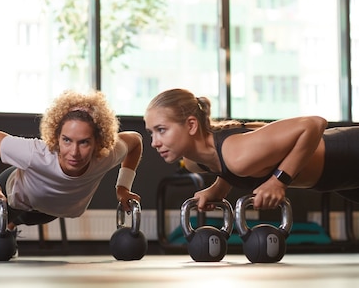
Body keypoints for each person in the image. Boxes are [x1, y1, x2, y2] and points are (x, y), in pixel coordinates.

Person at [0, 90, 143, 259]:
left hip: (50, 209)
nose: (74, 152)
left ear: (98, 142)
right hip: (15, 193)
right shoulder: (36, 152)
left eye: (84, 142)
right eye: (66, 140)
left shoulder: (105, 155)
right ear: (56, 137)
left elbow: (135, 141)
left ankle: (10, 226)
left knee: (28, 218)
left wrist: (123, 188)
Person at [143, 87, 359, 211]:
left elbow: (314, 123)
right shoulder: (195, 162)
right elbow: (229, 165)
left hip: (348, 153)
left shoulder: (238, 153)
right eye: (151, 132)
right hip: (339, 179)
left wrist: (278, 181)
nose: (154, 142)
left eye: (162, 130)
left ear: (191, 125)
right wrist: (219, 188)